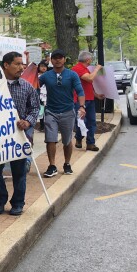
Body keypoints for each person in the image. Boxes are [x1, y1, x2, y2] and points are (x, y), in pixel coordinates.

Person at [0, 52, 41, 216]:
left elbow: (35, 108)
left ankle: (18, 203)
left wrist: (28, 121)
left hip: (18, 135)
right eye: (17, 64)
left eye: (22, 64)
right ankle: (0, 199)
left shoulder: (27, 86)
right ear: (6, 65)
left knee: (19, 171)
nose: (22, 67)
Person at [39, 49, 85, 178]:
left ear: (64, 59)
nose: (58, 60)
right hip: (50, 111)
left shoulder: (72, 75)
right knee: (50, 139)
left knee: (67, 140)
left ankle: (67, 163)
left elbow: (80, 91)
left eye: (60, 57)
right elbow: (34, 86)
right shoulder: (46, 76)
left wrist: (82, 106)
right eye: (55, 58)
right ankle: (52, 166)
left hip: (67, 111)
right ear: (51, 60)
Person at [71, 51, 104, 151]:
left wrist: (96, 95)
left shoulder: (85, 69)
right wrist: (97, 69)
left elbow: (88, 86)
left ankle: (90, 143)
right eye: (91, 60)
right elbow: (89, 79)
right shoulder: (77, 68)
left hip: (90, 99)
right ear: (88, 60)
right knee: (82, 121)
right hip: (80, 100)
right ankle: (79, 138)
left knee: (91, 122)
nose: (92, 61)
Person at [36, 61, 49, 131]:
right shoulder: (36, 75)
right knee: (41, 111)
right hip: (39, 95)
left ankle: (47, 126)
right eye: (42, 66)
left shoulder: (49, 75)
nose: (43, 68)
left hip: (47, 96)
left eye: (45, 66)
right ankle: (42, 126)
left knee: (47, 112)